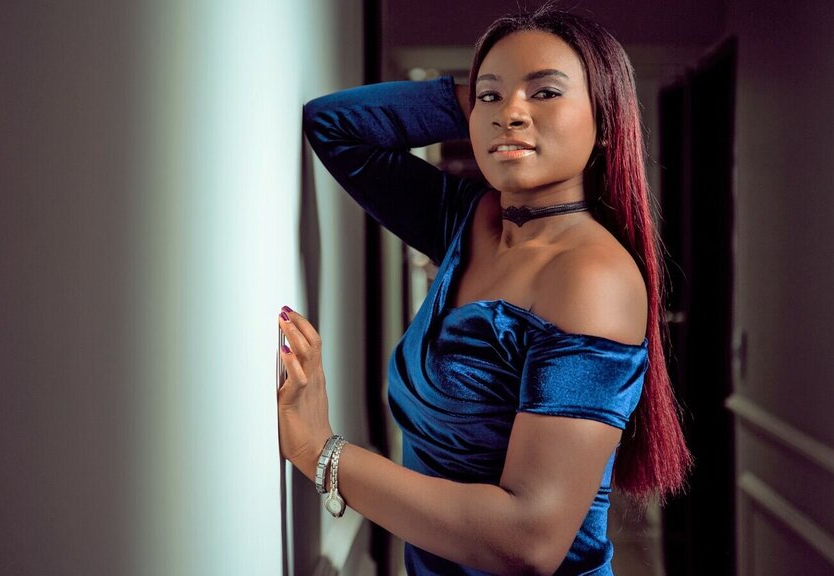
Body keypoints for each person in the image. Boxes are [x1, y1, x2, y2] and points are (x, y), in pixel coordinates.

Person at [278, 4, 691, 575]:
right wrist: (487, 101)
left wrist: (320, 452)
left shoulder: (591, 278)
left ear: (604, 120)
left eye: (546, 92)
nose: (511, 113)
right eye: (490, 96)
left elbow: (528, 540)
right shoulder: (468, 220)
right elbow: (334, 126)